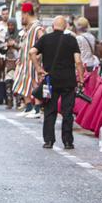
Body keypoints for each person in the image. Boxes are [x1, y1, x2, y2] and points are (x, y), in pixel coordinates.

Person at [31, 16, 84, 149]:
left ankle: (48, 141)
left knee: (49, 110)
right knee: (67, 112)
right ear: (65, 26)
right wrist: (81, 78)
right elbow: (78, 61)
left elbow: (32, 52)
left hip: (50, 81)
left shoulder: (45, 39)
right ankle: (67, 141)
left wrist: (38, 68)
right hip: (68, 81)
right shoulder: (71, 40)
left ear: (53, 26)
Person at [12, 3, 46, 119]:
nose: (21, 17)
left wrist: (38, 56)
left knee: (34, 83)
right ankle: (29, 107)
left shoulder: (37, 27)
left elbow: (43, 40)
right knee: (24, 83)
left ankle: (37, 109)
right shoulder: (28, 27)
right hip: (24, 61)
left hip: (32, 61)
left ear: (26, 14)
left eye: (22, 14)